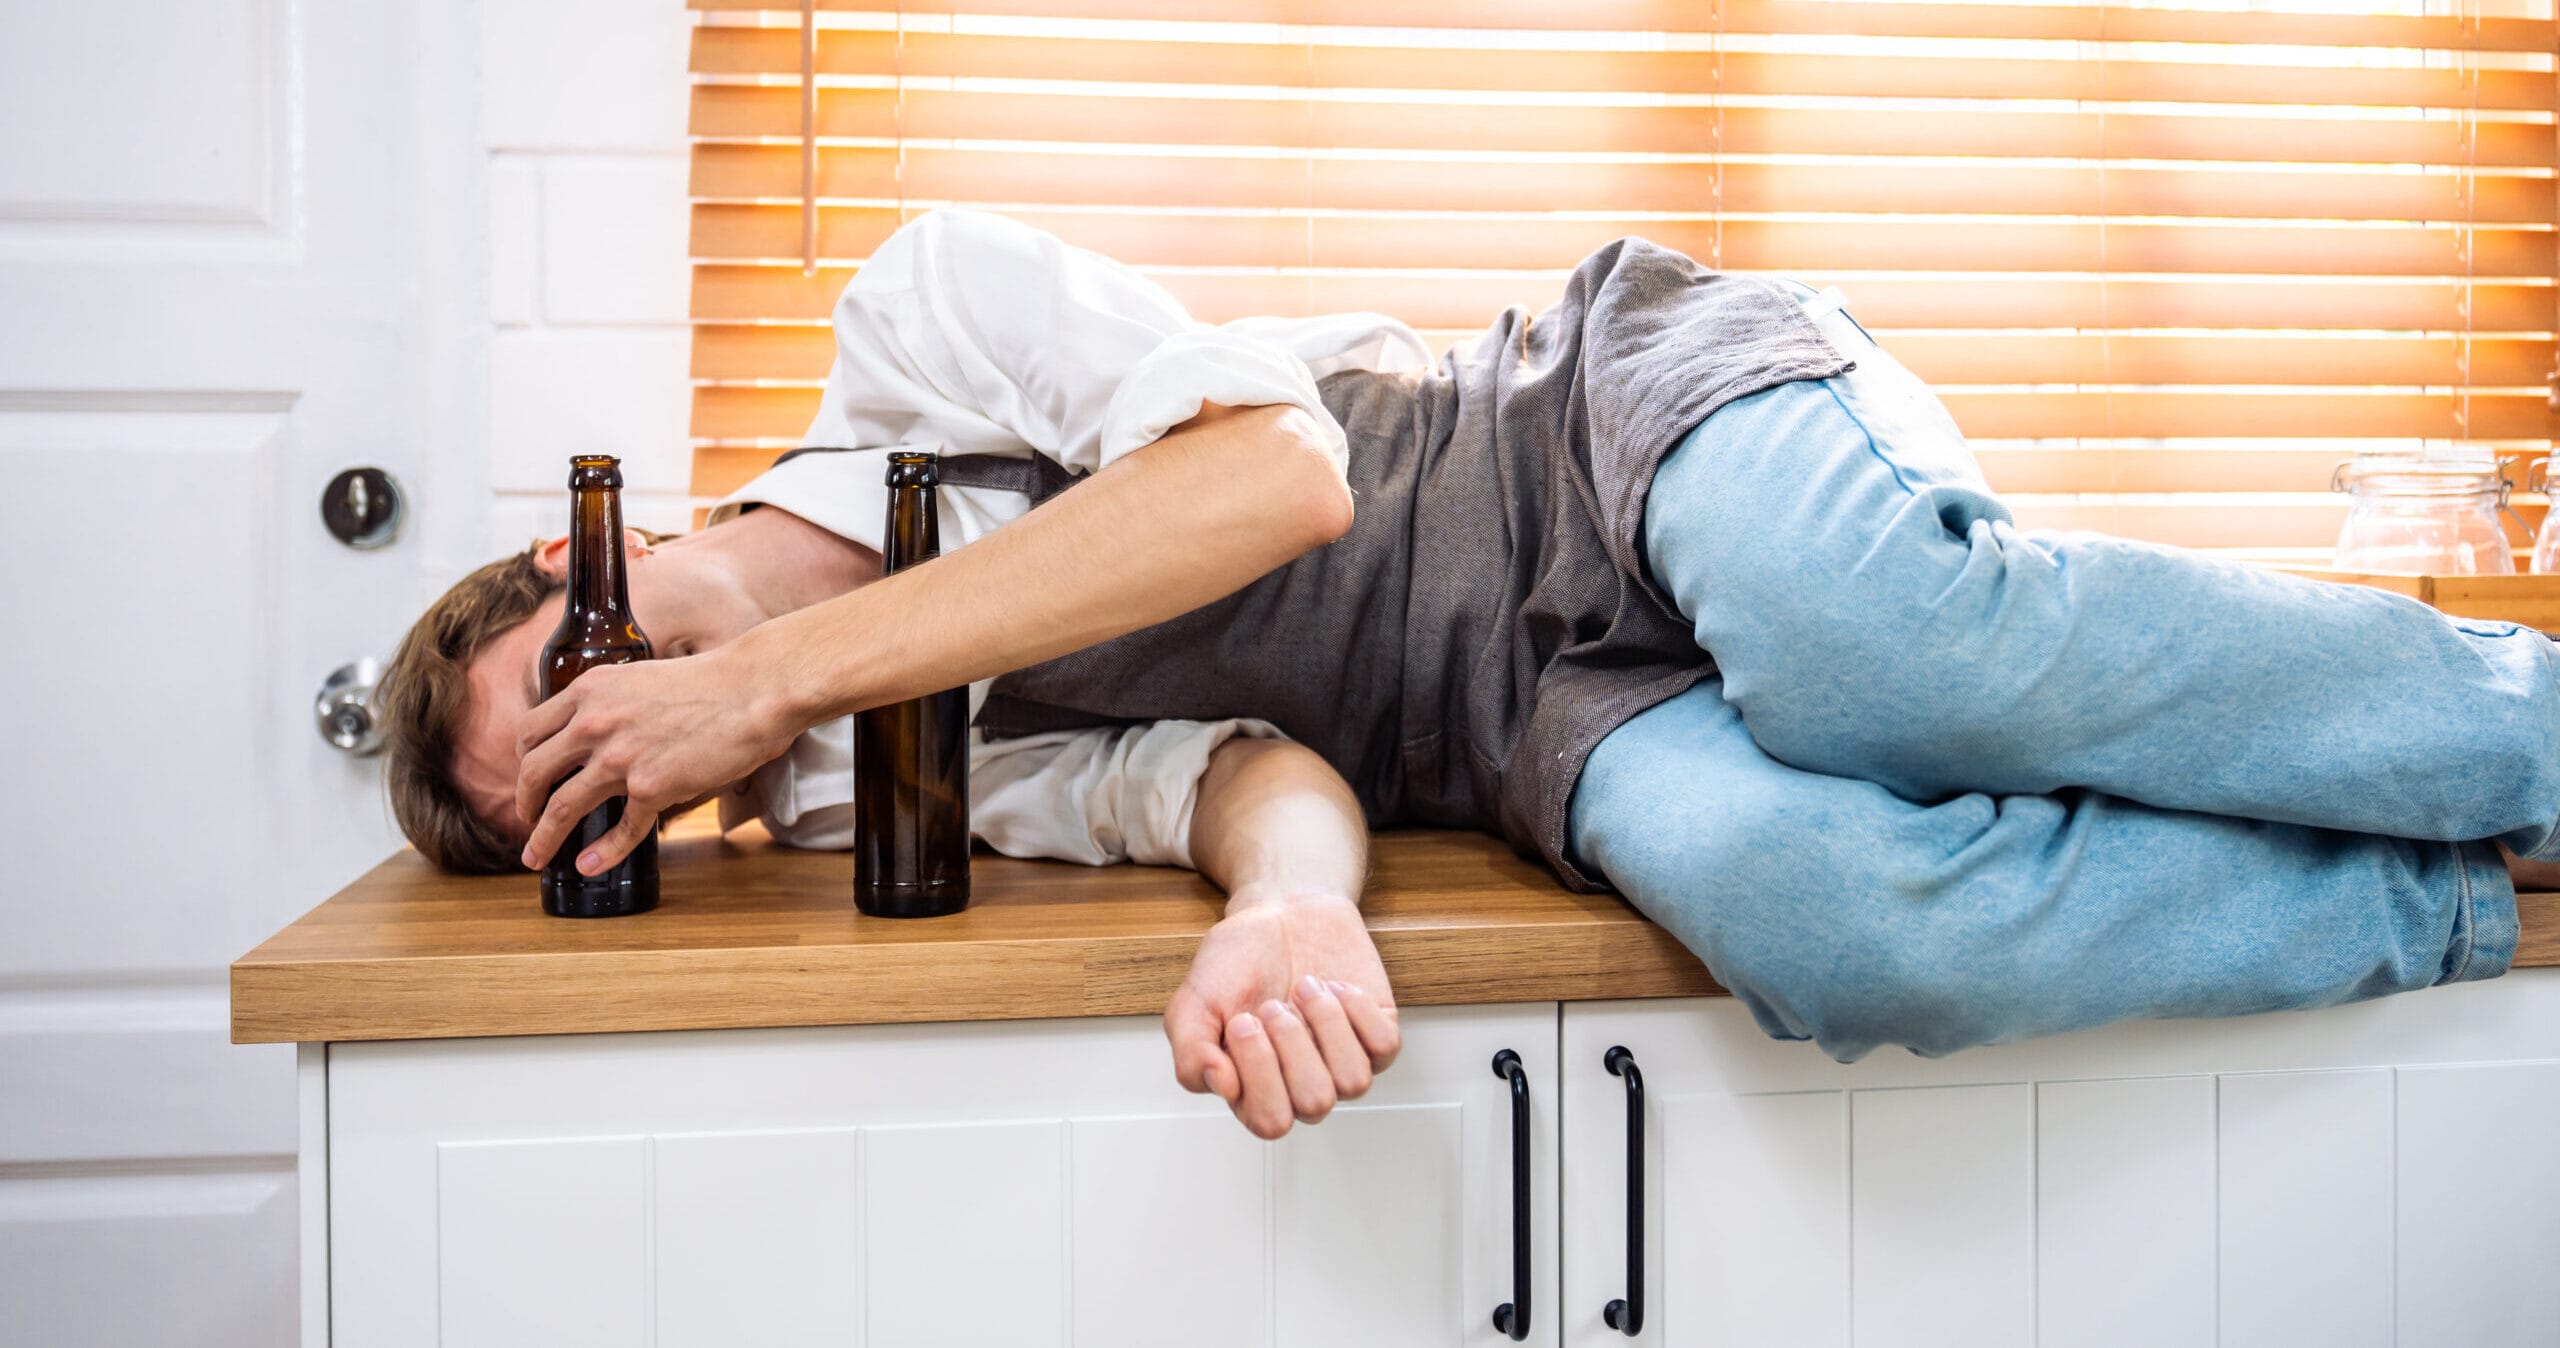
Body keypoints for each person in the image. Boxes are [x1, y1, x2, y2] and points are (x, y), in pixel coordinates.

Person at [386, 208, 2560, 1142]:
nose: (633, 734)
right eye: (593, 787)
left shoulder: (910, 327)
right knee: (1829, 919)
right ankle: (2466, 894)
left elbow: (1277, 475)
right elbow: (1232, 770)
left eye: (593, 673)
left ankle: (2525, 742)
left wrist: (772, 680)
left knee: (1870, 641)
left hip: (1602, 435)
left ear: (618, 543)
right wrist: (1291, 898)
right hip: (1529, 733)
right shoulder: (873, 798)